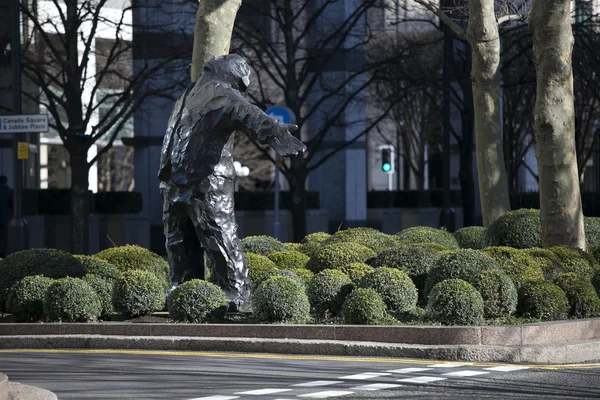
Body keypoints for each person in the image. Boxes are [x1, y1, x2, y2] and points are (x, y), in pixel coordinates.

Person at [158, 54, 306, 312]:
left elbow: (249, 113)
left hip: (208, 180)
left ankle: (235, 293)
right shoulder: (190, 92)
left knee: (218, 235)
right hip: (175, 181)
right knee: (178, 239)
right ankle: (184, 289)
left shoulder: (222, 93)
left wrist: (274, 130)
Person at [0, 176, 13, 258]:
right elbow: (12, 203)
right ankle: (3, 252)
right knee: (4, 236)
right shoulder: (7, 190)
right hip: (4, 217)